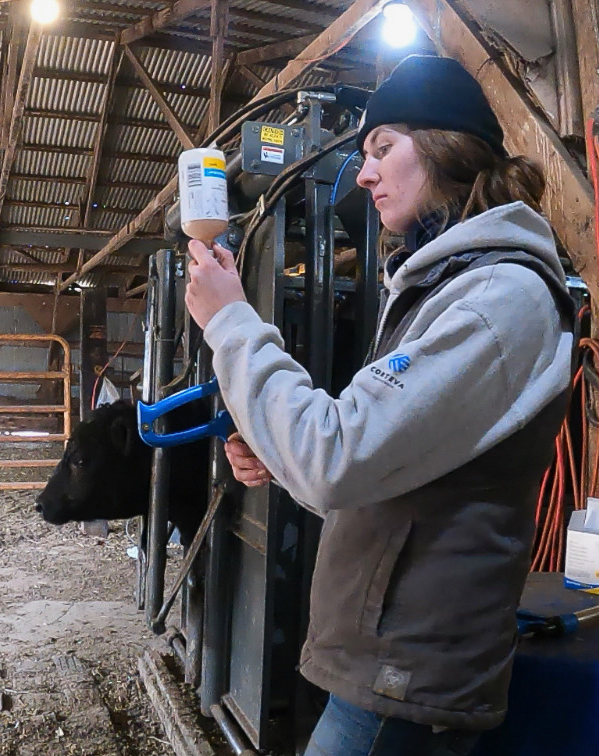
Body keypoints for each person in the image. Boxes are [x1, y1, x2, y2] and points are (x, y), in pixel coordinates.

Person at [184, 54, 575, 756]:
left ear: (446, 146)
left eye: (382, 147)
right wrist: (283, 453)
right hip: (385, 672)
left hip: (407, 682)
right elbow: (374, 478)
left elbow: (336, 458)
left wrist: (231, 322)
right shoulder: (442, 288)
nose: (363, 175)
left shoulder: (498, 299)